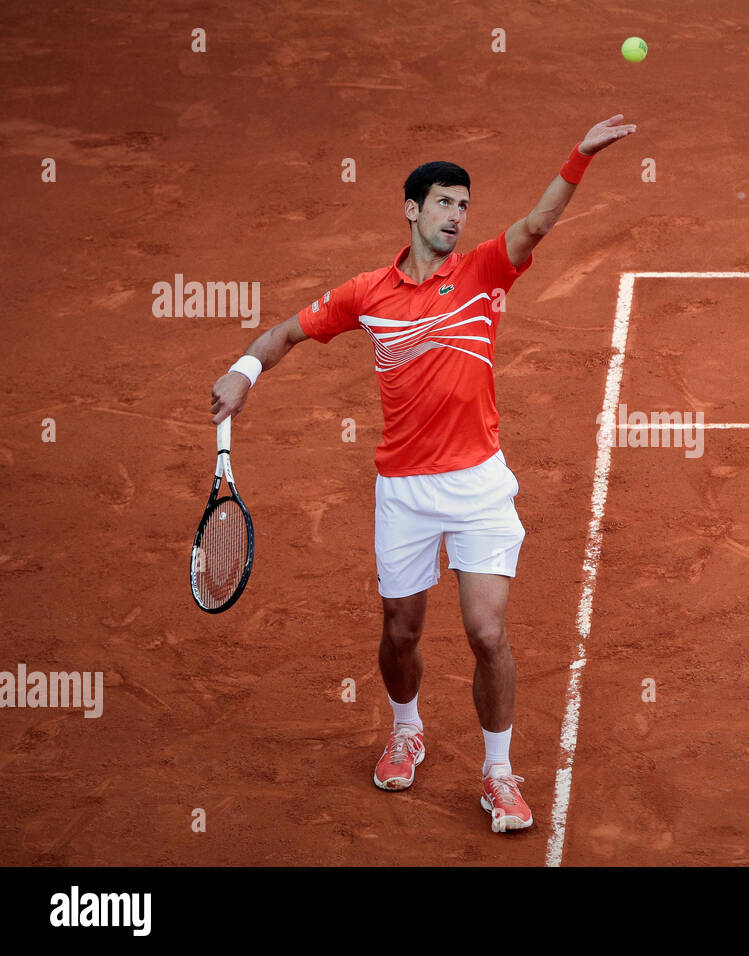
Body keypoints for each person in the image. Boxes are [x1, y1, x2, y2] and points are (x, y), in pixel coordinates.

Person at [208, 114, 637, 833]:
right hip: (403, 491)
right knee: (401, 632)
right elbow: (286, 333)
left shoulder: (482, 274)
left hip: (478, 486)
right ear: (412, 208)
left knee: (487, 635)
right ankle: (407, 726)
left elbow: (536, 225)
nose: (457, 216)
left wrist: (578, 158)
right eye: (444, 202)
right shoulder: (367, 293)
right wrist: (243, 369)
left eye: (464, 206)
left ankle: (498, 773)